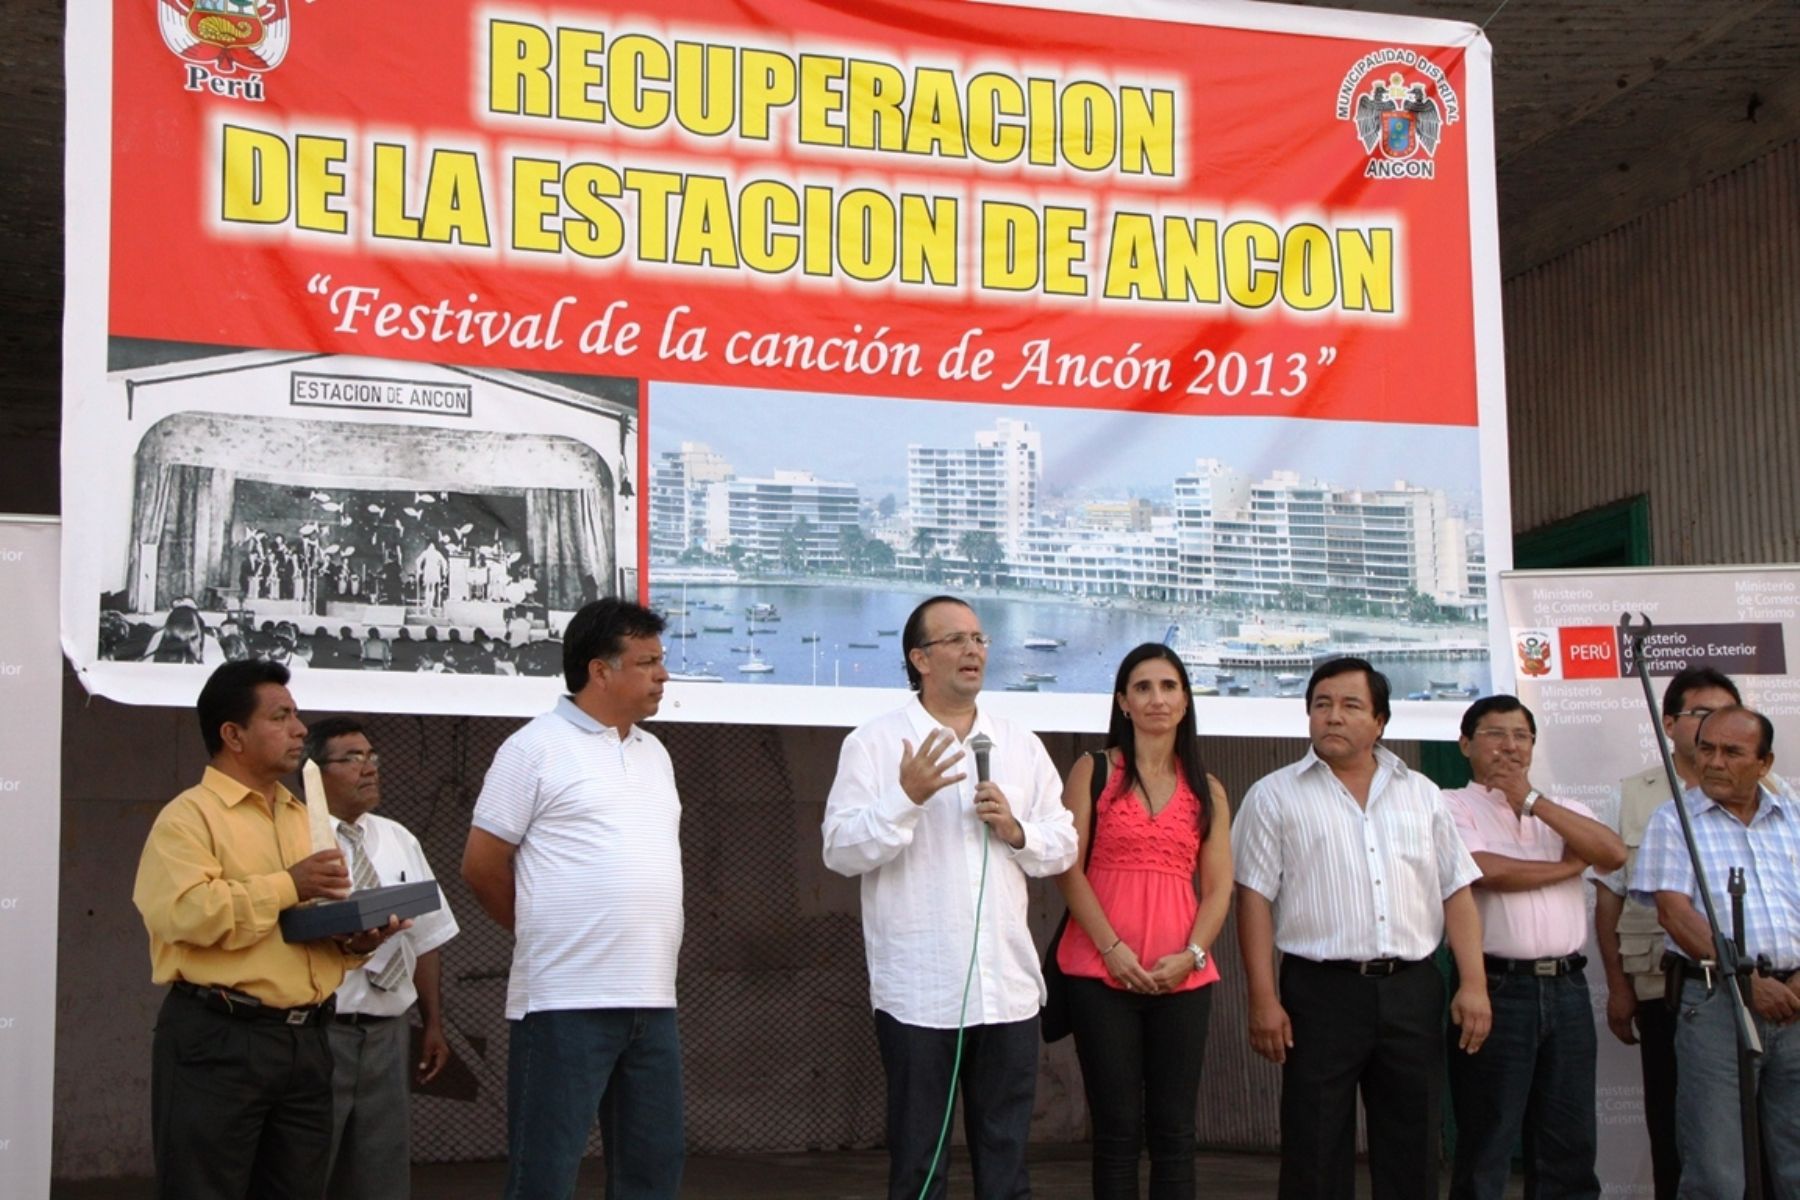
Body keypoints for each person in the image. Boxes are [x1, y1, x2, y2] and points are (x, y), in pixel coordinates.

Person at [822, 595, 1077, 1200]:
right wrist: (902, 798)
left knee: (1006, 1166)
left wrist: (1018, 831)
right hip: (919, 996)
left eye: (980, 639)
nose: (973, 650)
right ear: (920, 659)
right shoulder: (875, 745)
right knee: (919, 1167)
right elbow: (839, 850)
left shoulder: (1019, 743)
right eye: (956, 640)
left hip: (1006, 991)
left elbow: (1062, 843)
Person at [131, 659, 406, 1200]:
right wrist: (289, 883)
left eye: (297, 715)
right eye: (280, 716)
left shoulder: (302, 815)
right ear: (232, 734)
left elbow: (296, 926)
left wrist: (351, 943)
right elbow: (186, 913)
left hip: (307, 1041)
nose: (300, 730)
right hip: (221, 1038)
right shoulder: (188, 817)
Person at [1232, 656, 1490, 1200]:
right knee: (1315, 1146)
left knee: (1413, 1147)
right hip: (1320, 992)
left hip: (1412, 988)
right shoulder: (1274, 795)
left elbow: (1457, 891)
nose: (1333, 716)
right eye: (1322, 704)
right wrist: (1262, 998)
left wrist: (1474, 984)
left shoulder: (1421, 793)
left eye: (1351, 705)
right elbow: (1253, 898)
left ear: (1380, 721)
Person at [461, 598, 684, 1200]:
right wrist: (541, 932)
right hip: (564, 1001)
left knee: (653, 1174)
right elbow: (481, 866)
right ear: (600, 671)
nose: (664, 675)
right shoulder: (532, 748)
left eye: (662, 661)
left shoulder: (655, 753)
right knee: (545, 1175)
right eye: (648, 662)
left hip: (652, 999)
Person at [1053, 643, 1233, 1200]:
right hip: (1100, 974)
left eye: (1169, 686)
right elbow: (1067, 868)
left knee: (1176, 1132)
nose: (1157, 698)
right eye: (1143, 687)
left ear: (1185, 702)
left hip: (1183, 978)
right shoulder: (1095, 769)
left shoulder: (1210, 788)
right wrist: (1112, 949)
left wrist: (1193, 956)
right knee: (1117, 1132)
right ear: (1123, 702)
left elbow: (1219, 887)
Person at [1441, 695, 1626, 1200]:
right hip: (1497, 988)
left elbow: (1611, 853)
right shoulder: (1449, 804)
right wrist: (1569, 867)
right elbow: (1487, 870)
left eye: (1521, 736)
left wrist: (1531, 800)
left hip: (1566, 989)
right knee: (1488, 1137)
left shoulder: (1563, 809)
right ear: (1465, 744)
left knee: (1568, 1141)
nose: (1509, 746)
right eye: (1495, 734)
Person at [1593, 665, 1761, 1200]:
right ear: (1669, 723)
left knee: (1765, 1134)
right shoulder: (1635, 796)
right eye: (1702, 715)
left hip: (1766, 992)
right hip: (1665, 987)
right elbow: (1609, 900)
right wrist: (1617, 987)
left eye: (1728, 714)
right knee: (1677, 1130)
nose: (1717, 728)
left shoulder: (1773, 793)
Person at [1632, 706, 1800, 1200]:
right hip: (1716, 1002)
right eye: (1706, 749)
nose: (1715, 762)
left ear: (1764, 763)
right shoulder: (1674, 819)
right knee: (1717, 1171)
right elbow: (1674, 914)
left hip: (1795, 1002)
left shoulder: (1793, 818)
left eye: (1732, 752)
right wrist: (1746, 982)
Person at [310, 717, 460, 1200]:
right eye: (351, 759)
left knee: (381, 1172)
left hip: (386, 1034)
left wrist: (433, 1022)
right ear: (314, 770)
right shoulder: (293, 838)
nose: (369, 768)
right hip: (318, 1029)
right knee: (310, 1166)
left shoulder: (398, 838)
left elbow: (427, 938)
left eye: (372, 757)